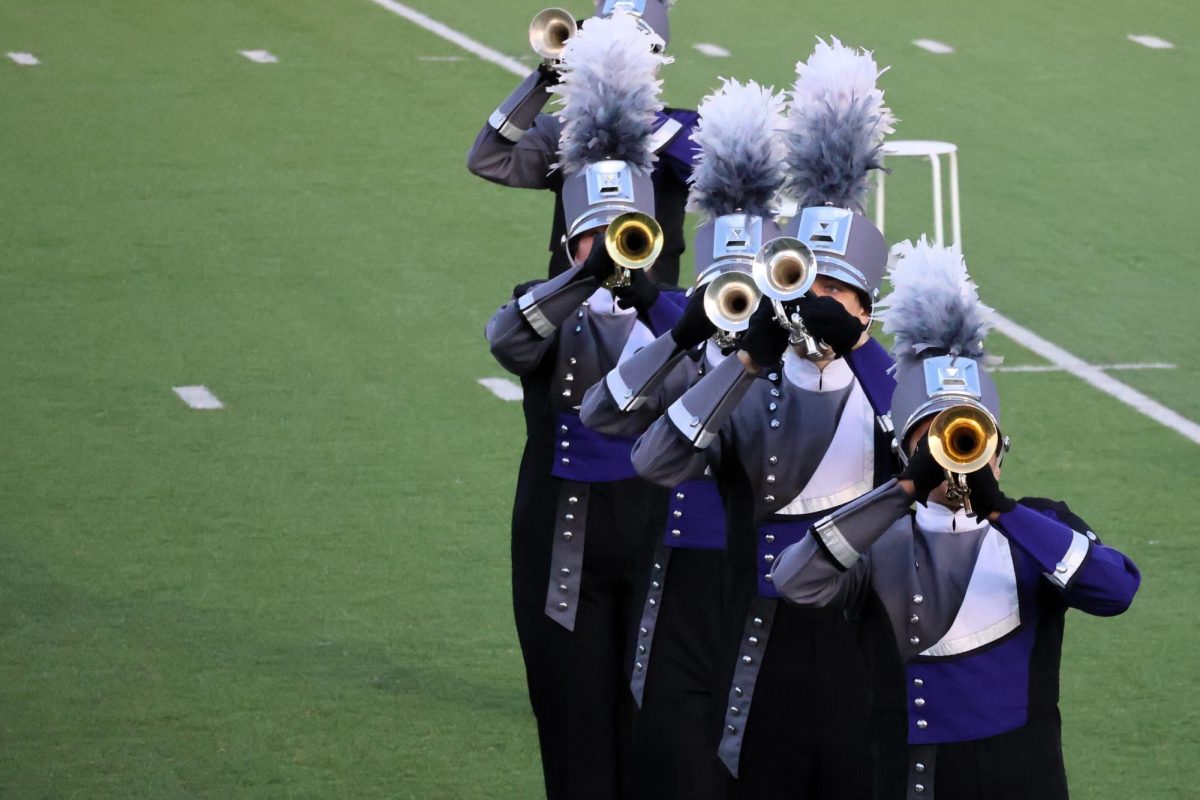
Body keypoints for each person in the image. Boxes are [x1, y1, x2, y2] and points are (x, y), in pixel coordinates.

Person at [770, 238, 1142, 800]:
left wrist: (1003, 510)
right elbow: (793, 580)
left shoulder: (1039, 524)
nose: (954, 456)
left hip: (1027, 779)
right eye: (934, 441)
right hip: (913, 780)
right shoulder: (880, 537)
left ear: (999, 448)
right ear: (907, 453)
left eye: (968, 438)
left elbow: (1116, 589)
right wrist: (905, 489)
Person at [628, 40, 902, 798]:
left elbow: (928, 460)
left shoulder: (897, 386)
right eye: (810, 292)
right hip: (759, 657)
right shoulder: (755, 384)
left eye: (837, 298)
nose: (820, 310)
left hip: (870, 655)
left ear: (866, 310)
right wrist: (747, 359)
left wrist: (858, 352)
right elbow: (653, 460)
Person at [484, 14, 686, 798]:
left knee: (655, 736)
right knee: (573, 734)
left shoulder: (683, 325)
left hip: (657, 537)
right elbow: (491, 155)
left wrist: (641, 113)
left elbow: (726, 176)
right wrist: (549, 80)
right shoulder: (537, 310)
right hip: (562, 534)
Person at [580, 77, 787, 800]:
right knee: (673, 763)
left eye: (751, 286)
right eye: (726, 284)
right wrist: (687, 331)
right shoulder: (681, 330)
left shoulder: (807, 357)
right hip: (680, 575)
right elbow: (605, 413)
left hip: (766, 582)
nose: (739, 301)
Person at [466, 0, 697, 282]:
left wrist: (634, 117)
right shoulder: (564, 129)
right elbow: (487, 159)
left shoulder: (684, 129)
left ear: (655, 57)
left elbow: (737, 183)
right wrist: (546, 76)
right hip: (570, 307)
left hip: (649, 310)